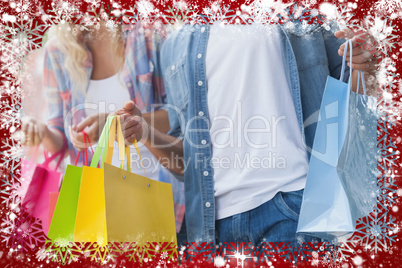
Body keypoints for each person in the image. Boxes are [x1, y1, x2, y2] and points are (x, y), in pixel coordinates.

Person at [115, 21, 377, 244]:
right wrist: (145, 132)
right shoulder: (175, 41)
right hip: (211, 229)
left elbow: (353, 94)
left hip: (294, 209)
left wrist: (366, 66)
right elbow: (187, 163)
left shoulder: (302, 10)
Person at [20, 21, 186, 241]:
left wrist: (113, 123)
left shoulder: (147, 34)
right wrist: (44, 133)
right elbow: (61, 137)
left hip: (156, 190)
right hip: (93, 204)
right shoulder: (57, 50)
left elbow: (176, 117)